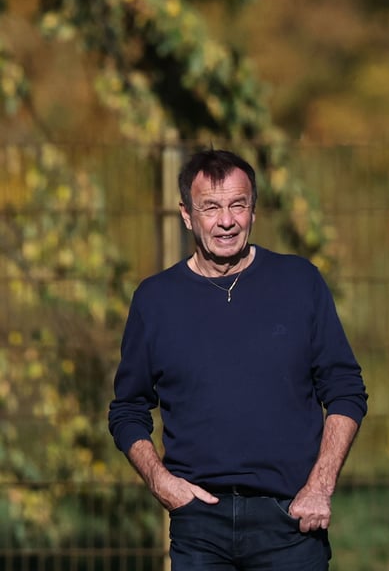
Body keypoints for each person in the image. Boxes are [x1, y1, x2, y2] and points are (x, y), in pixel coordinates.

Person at [108, 149, 368, 570]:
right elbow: (127, 409)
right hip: (198, 526)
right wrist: (161, 481)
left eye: (237, 205)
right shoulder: (155, 300)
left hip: (290, 522)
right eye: (210, 207)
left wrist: (321, 485)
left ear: (253, 210)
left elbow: (346, 391)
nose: (226, 221)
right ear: (187, 215)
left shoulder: (299, 282)